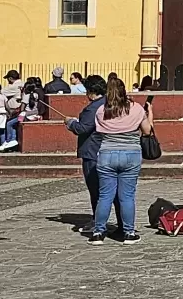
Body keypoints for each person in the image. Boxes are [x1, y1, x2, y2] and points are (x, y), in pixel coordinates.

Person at [89, 75, 152, 245]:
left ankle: (98, 232)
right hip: (131, 153)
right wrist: (149, 114)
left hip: (107, 153)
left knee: (105, 196)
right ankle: (129, 232)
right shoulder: (136, 108)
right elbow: (147, 131)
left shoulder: (101, 111)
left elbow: (99, 130)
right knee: (127, 196)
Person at [65, 75, 108, 236]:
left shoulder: (93, 108)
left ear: (91, 92)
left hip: (92, 151)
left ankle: (98, 221)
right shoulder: (109, 103)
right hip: (106, 149)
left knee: (95, 189)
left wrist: (70, 123)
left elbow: (83, 128)